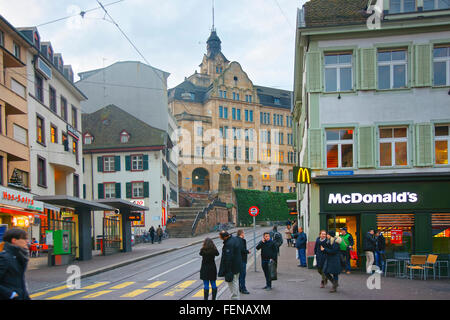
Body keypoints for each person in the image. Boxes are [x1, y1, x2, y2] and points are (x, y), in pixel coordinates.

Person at [0, 228, 30, 300]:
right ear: (14, 240)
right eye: (24, 238)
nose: (27, 241)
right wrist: (11, 294)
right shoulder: (5, 258)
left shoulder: (18, 256)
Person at [218, 230, 242, 300]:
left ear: (224, 237)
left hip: (232, 268)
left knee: (232, 283)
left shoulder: (229, 244)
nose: (221, 239)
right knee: (236, 281)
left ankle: (235, 298)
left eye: (221, 238)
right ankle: (236, 297)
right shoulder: (234, 239)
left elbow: (228, 258)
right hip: (237, 266)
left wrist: (228, 271)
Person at [236, 230, 250, 294]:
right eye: (243, 233)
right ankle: (243, 289)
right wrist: (247, 251)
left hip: (237, 260)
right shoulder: (242, 240)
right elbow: (242, 249)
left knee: (238, 275)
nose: (244, 234)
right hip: (242, 260)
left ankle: (239, 288)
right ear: (241, 234)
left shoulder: (235, 239)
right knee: (242, 275)